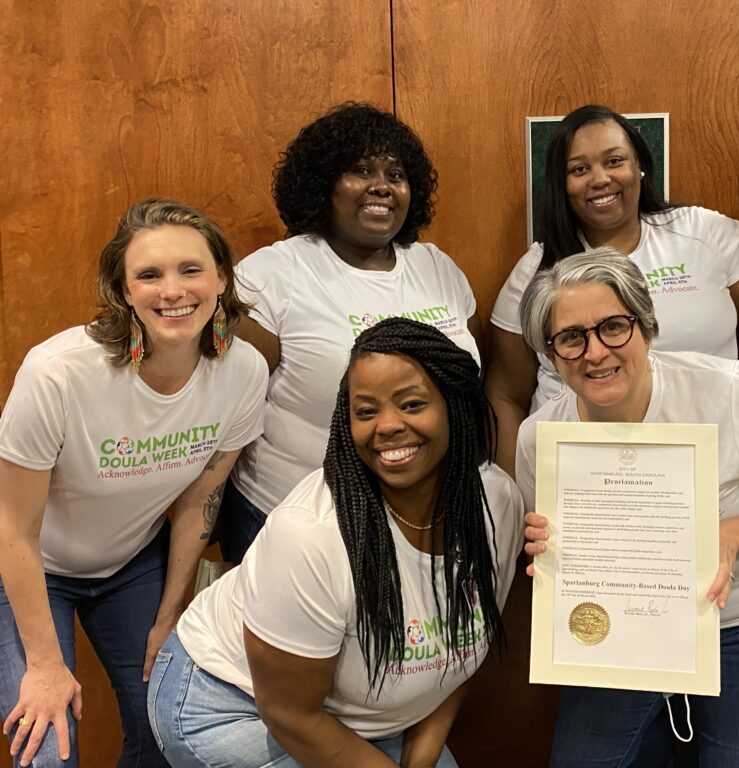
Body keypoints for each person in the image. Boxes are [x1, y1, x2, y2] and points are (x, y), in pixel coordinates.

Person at [148, 318, 523, 768]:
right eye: (365, 411)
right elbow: (289, 713)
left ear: (454, 405)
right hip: (232, 704)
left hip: (356, 719)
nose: (386, 426)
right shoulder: (311, 534)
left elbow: (463, 648)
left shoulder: (496, 506)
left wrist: (421, 759)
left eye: (411, 403)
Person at [517, 249, 739, 767]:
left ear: (646, 328)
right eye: (571, 338)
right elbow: (557, 541)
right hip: (623, 630)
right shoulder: (540, 438)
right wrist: (547, 546)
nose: (595, 352)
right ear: (551, 355)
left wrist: (734, 533)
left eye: (613, 327)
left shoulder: (730, 392)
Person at [0, 198, 267, 768]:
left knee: (165, 724)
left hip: (130, 564)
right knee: (47, 750)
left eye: (191, 270)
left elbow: (201, 502)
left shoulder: (242, 372)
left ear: (222, 277)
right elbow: (13, 529)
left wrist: (171, 612)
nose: (173, 290)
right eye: (149, 275)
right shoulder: (59, 373)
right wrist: (46, 666)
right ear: (123, 291)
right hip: (28, 564)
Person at [221, 102, 482, 562]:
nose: (381, 185)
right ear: (323, 184)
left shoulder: (437, 267)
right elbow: (223, 406)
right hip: (294, 522)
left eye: (395, 174)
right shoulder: (272, 274)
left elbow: (471, 386)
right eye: (360, 170)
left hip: (419, 517)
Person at [486, 104, 739, 474]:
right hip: (583, 475)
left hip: (711, 464)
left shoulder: (706, 234)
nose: (599, 179)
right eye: (579, 169)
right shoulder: (536, 271)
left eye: (614, 161)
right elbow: (506, 395)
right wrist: (519, 496)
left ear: (639, 164)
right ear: (561, 185)